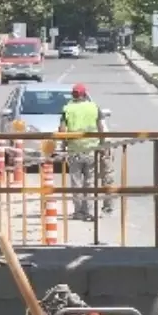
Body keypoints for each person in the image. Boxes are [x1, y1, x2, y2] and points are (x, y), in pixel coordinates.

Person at [58, 83, 102, 221]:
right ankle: (90, 211)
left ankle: (78, 212)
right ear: (85, 94)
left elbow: (62, 129)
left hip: (75, 150)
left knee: (76, 182)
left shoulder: (67, 109)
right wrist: (102, 144)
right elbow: (100, 127)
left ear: (73, 95)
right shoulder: (93, 107)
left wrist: (63, 144)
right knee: (90, 181)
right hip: (91, 150)